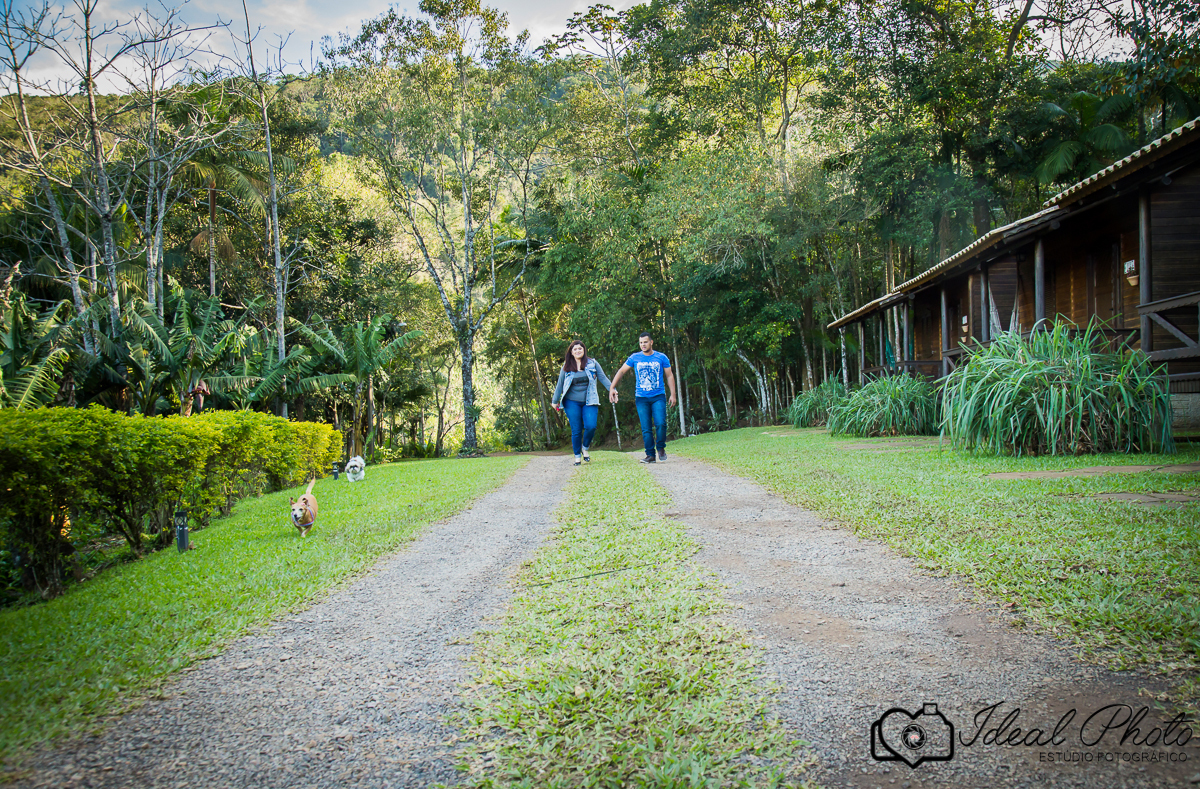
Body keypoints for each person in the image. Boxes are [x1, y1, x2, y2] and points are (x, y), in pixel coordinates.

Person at [608, 332, 675, 463]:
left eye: (645, 342)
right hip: (641, 398)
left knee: (661, 423)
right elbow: (621, 371)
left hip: (658, 396)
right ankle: (650, 455)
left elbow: (670, 376)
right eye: (640, 343)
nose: (643, 345)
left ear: (651, 342)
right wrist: (612, 387)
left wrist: (673, 394)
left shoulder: (661, 357)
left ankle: (660, 447)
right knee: (646, 428)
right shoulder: (635, 358)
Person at [550, 340, 613, 466]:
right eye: (575, 349)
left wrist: (612, 389)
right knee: (576, 429)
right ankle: (577, 457)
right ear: (571, 352)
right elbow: (560, 384)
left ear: (584, 350)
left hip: (590, 401)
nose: (578, 351)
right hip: (571, 402)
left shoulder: (593, 363)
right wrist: (554, 401)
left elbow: (603, 378)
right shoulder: (566, 366)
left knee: (591, 426)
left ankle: (585, 447)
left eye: (580, 348)